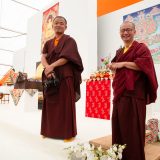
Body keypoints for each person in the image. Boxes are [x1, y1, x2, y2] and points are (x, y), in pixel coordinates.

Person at [108, 21, 158, 160]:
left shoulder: (141, 48)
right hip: (120, 93)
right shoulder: (119, 51)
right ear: (120, 33)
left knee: (133, 128)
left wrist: (123, 64)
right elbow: (115, 67)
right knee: (119, 125)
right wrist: (113, 68)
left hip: (134, 94)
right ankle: (119, 155)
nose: (125, 33)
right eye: (123, 30)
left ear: (135, 31)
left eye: (128, 30)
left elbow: (144, 65)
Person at [41, 16, 83, 141]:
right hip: (51, 76)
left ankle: (68, 133)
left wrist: (51, 66)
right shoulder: (48, 43)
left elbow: (67, 57)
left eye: (61, 23)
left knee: (65, 105)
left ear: (66, 26)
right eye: (56, 23)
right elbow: (43, 56)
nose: (59, 25)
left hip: (65, 76)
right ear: (52, 26)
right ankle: (48, 131)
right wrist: (48, 68)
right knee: (49, 103)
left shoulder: (70, 41)